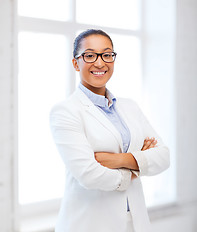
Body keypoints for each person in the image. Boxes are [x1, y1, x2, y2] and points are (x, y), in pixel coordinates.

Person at [50, 29, 170, 232]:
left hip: (136, 222)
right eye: (90, 55)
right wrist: (138, 164)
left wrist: (117, 160)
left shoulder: (130, 107)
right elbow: (88, 174)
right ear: (75, 63)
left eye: (107, 54)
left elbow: (164, 157)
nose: (99, 63)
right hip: (90, 224)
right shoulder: (66, 111)